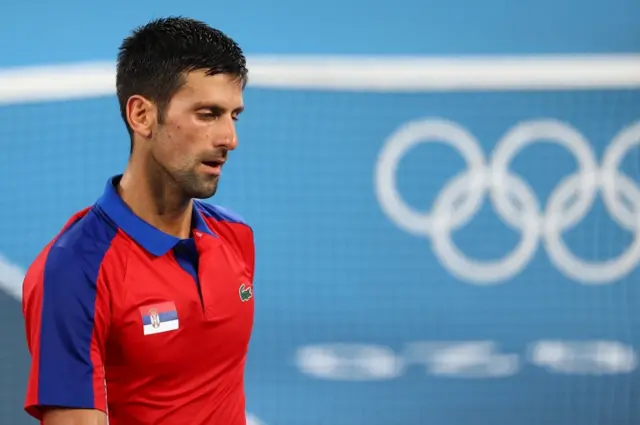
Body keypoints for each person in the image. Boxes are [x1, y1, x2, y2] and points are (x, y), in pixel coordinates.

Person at [21, 16, 255, 425]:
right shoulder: (75, 271)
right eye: (207, 114)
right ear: (142, 115)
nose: (229, 138)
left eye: (233, 116)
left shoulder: (235, 237)